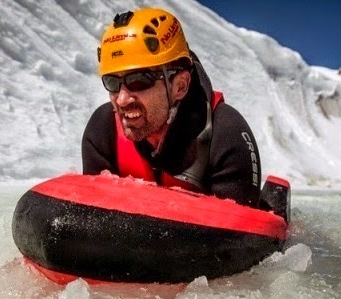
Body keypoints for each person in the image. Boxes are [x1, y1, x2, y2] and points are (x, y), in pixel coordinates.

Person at [82, 7, 262, 207]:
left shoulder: (225, 134)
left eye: (139, 81)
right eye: (112, 82)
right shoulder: (103, 129)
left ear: (180, 86)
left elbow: (239, 235)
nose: (122, 99)